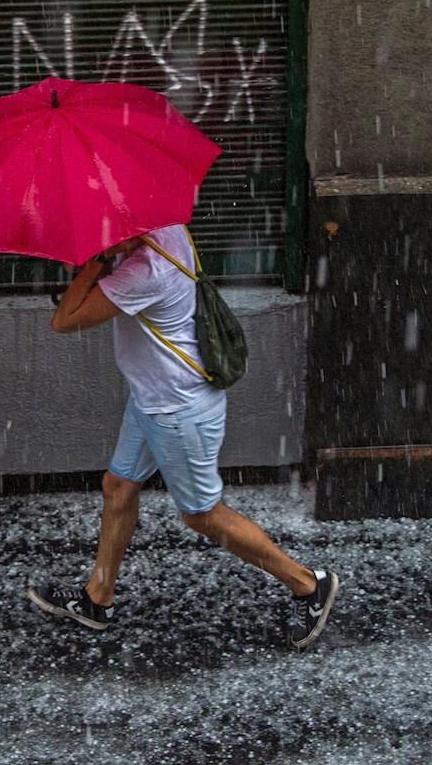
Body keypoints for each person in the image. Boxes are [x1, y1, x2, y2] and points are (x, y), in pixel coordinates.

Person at [25, 224, 341, 649]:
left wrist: (99, 259)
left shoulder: (146, 271)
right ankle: (97, 598)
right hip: (152, 397)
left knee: (201, 513)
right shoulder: (170, 229)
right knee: (118, 487)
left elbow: (64, 320)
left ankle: (308, 583)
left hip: (176, 408)